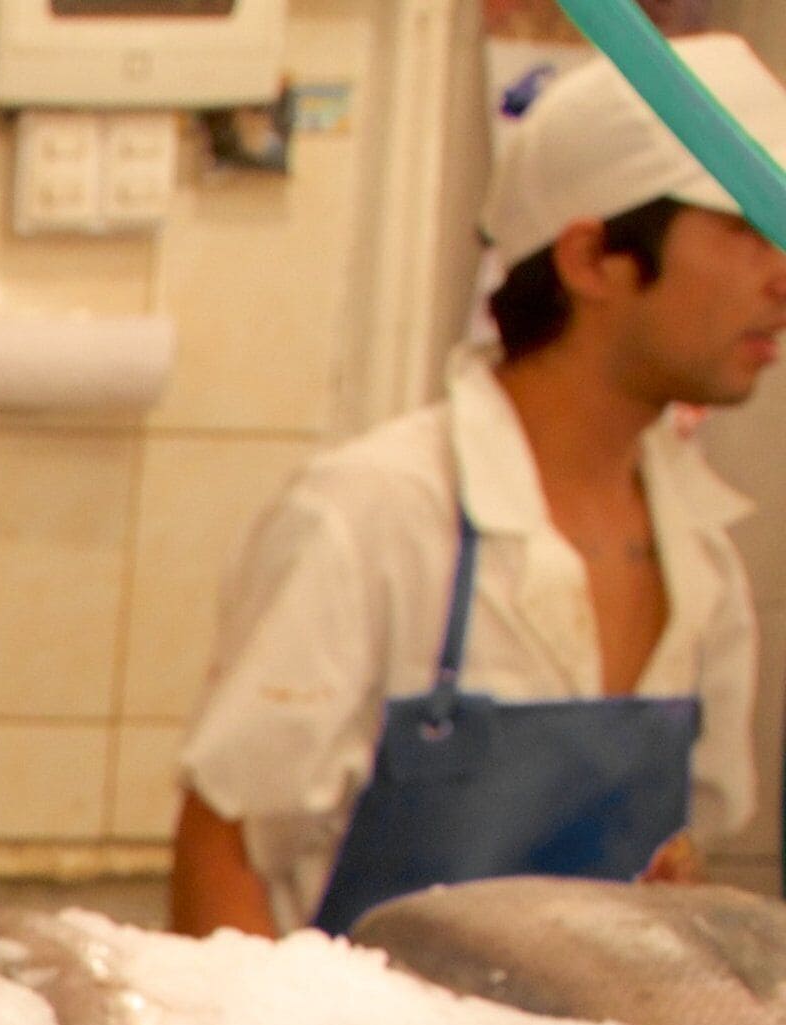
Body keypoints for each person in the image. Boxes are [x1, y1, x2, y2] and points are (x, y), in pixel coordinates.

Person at [170, 35, 786, 937]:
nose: (782, 277)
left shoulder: (703, 559)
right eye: (743, 227)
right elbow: (223, 860)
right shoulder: (371, 518)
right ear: (592, 260)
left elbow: (678, 873)